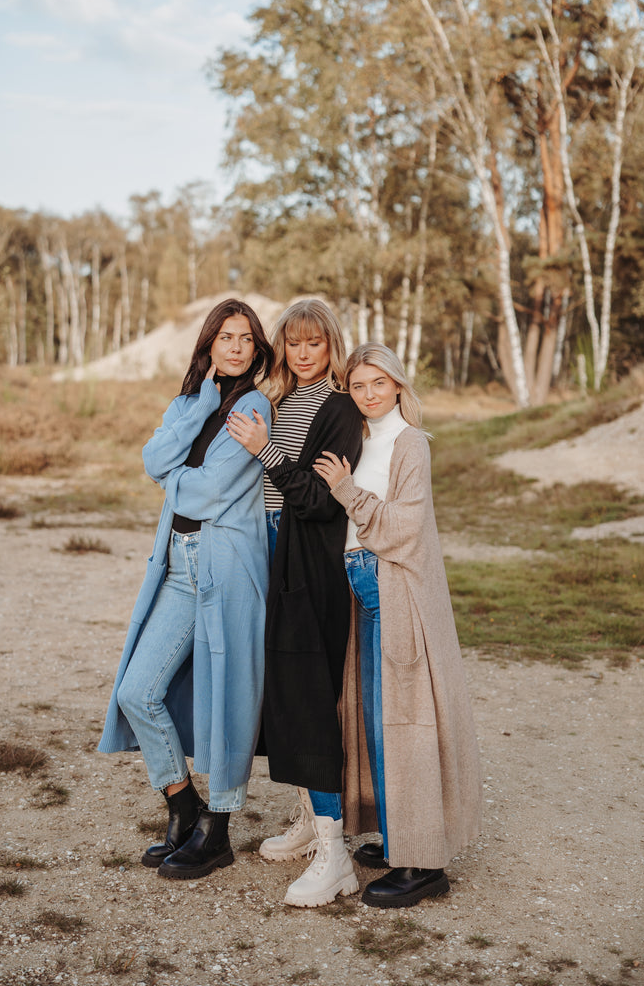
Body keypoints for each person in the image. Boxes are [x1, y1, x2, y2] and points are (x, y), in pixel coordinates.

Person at [98, 299, 274, 881]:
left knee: (226, 697)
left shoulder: (252, 406)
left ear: (256, 349)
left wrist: (170, 477)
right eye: (225, 337)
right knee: (137, 691)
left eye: (246, 339)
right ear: (208, 345)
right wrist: (195, 411)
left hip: (225, 568)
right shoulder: (191, 402)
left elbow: (200, 491)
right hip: (177, 565)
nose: (236, 347)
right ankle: (183, 804)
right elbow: (152, 456)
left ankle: (218, 832)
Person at [312, 342, 482, 909]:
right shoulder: (361, 437)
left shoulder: (410, 441)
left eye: (378, 384)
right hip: (360, 584)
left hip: (394, 588)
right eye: (358, 386)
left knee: (403, 720)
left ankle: (423, 864)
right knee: (373, 718)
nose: (368, 394)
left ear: (398, 385)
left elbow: (405, 528)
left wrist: (347, 492)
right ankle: (397, 836)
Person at [227, 298, 363, 907]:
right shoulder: (279, 403)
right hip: (275, 555)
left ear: (332, 344)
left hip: (312, 564)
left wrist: (266, 451)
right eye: (295, 343)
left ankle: (337, 856)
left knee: (309, 699)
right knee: (285, 692)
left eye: (315, 343)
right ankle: (311, 820)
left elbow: (319, 500)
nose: (304, 354)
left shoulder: (338, 409)